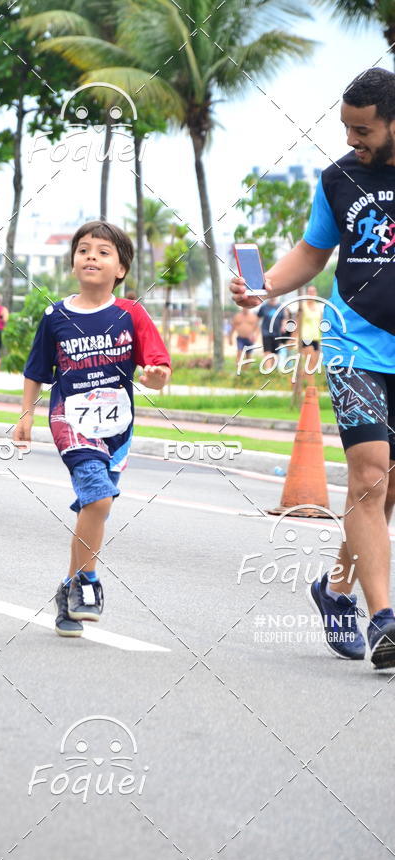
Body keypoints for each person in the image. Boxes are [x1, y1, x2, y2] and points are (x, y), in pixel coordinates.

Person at [230, 67, 395, 669]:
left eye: (364, 130)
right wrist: (266, 285)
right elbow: (311, 251)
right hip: (356, 346)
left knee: (387, 487)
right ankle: (385, 621)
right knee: (369, 475)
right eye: (346, 128)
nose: (352, 139)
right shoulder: (339, 179)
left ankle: (336, 589)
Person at [13, 221, 171, 637]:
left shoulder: (131, 314)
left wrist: (156, 377)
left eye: (103, 252)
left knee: (95, 507)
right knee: (98, 497)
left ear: (121, 268)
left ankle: (68, 590)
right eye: (84, 250)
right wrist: (26, 415)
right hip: (70, 419)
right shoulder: (56, 316)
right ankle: (88, 583)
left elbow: (158, 366)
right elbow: (36, 370)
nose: (91, 257)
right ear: (73, 263)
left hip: (117, 427)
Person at [300, 284, 323, 378]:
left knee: (314, 364)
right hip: (305, 337)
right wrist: (293, 338)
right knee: (311, 361)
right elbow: (297, 323)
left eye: (313, 292)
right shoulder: (302, 307)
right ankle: (311, 386)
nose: (311, 294)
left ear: (316, 293)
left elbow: (321, 323)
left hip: (316, 338)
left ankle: (297, 379)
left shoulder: (318, 307)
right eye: (309, 292)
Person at [255, 295, 286, 366]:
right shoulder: (264, 307)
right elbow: (258, 319)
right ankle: (268, 369)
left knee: (275, 353)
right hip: (266, 333)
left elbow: (283, 318)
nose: (273, 296)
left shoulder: (280, 307)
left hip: (277, 334)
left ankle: (273, 368)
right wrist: (255, 332)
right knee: (267, 351)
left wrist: (283, 326)